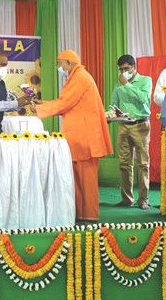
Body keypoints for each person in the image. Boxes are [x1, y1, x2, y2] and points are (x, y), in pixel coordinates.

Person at [32, 50, 113, 223]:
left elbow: (65, 103)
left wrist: (39, 109)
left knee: (86, 179)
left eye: (59, 64)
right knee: (77, 177)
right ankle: (81, 213)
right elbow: (66, 101)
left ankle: (89, 215)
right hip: (79, 134)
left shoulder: (80, 77)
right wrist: (44, 103)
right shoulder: (77, 76)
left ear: (69, 63)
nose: (58, 68)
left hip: (85, 136)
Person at [108, 55, 152, 210]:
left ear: (134, 67)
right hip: (123, 126)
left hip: (140, 125)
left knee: (143, 164)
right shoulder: (118, 85)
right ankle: (127, 199)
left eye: (127, 68)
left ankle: (143, 199)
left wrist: (126, 84)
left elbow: (143, 98)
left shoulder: (145, 80)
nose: (123, 72)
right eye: (121, 69)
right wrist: (109, 114)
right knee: (125, 164)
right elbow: (113, 105)